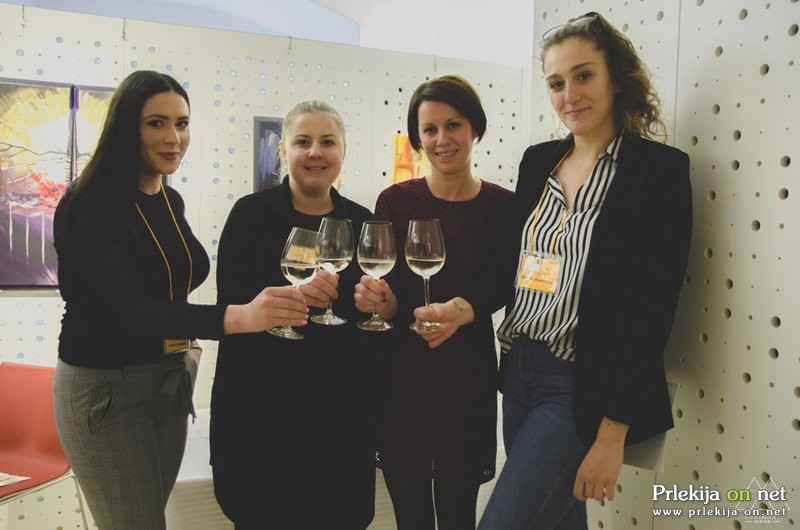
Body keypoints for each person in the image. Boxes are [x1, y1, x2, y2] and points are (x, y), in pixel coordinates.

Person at [413, 12, 693, 530]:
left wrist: (611, 435)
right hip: (519, 372)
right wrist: (460, 308)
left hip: (580, 388)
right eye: (556, 83)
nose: (570, 95)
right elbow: (509, 267)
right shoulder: (539, 160)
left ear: (616, 77)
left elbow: (651, 314)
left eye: (583, 76)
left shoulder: (659, 172)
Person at [52, 70, 308, 530]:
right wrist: (239, 317)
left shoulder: (168, 200)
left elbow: (170, 286)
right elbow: (130, 308)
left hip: (166, 382)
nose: (174, 138)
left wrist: (186, 355)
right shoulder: (88, 204)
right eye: (156, 123)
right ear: (126, 127)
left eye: (182, 123)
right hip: (106, 391)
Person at [354, 75, 514, 530]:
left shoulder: (505, 207)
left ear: (475, 128)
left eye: (453, 125)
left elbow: (503, 286)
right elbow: (389, 302)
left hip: (466, 380)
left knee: (459, 515)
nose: (442, 139)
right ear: (417, 138)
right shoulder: (395, 201)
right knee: (412, 518)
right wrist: (379, 303)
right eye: (430, 129)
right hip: (401, 379)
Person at [210, 99, 375, 530]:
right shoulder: (250, 216)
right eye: (303, 142)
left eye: (328, 142)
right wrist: (294, 297)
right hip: (262, 416)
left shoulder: (362, 222)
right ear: (283, 149)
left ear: (343, 150)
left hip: (340, 417)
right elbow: (231, 308)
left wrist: (382, 303)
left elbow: (368, 321)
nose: (315, 152)